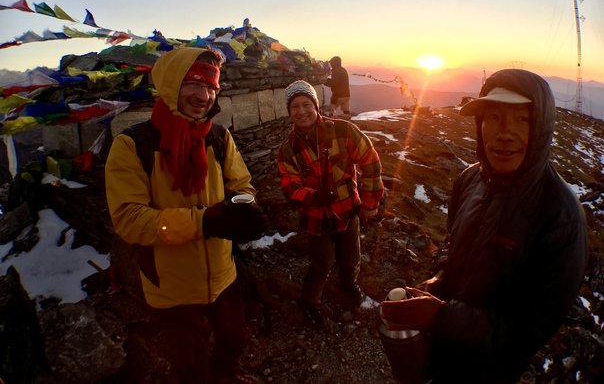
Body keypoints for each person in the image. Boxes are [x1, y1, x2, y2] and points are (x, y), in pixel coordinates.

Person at [380, 69, 588, 383]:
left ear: (541, 128)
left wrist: (443, 317)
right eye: (493, 117)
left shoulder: (560, 215)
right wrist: (439, 278)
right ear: (480, 125)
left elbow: (532, 327)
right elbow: (453, 242)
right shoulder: (469, 180)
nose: (505, 133)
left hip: (492, 370)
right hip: (443, 346)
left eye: (522, 119)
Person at [105, 47, 268, 384]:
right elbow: (129, 219)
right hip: (170, 286)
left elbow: (242, 184)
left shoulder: (218, 137)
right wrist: (204, 222)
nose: (203, 96)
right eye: (192, 84)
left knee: (234, 340)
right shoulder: (133, 146)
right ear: (170, 85)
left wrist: (244, 207)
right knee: (190, 366)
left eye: (211, 87)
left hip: (222, 273)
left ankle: (225, 375)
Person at [278, 80, 384, 326]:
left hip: (348, 210)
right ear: (289, 112)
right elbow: (289, 186)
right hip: (316, 218)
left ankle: (349, 283)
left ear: (316, 106)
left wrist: (370, 203)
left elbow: (370, 162)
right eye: (295, 107)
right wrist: (313, 197)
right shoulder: (288, 150)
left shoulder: (343, 131)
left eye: (306, 104)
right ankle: (309, 302)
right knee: (321, 263)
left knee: (351, 257)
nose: (302, 111)